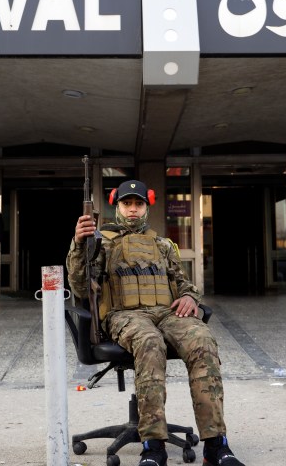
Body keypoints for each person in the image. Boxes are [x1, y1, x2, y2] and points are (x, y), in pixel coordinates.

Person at [68, 180, 245, 466]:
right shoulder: (101, 243)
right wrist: (78, 244)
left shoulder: (162, 245)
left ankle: (215, 445)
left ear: (147, 207)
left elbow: (185, 283)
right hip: (125, 315)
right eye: (127, 204)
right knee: (150, 343)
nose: (133, 210)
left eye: (139, 204)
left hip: (167, 313)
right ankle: (153, 446)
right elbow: (78, 284)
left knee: (203, 341)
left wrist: (189, 297)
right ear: (118, 207)